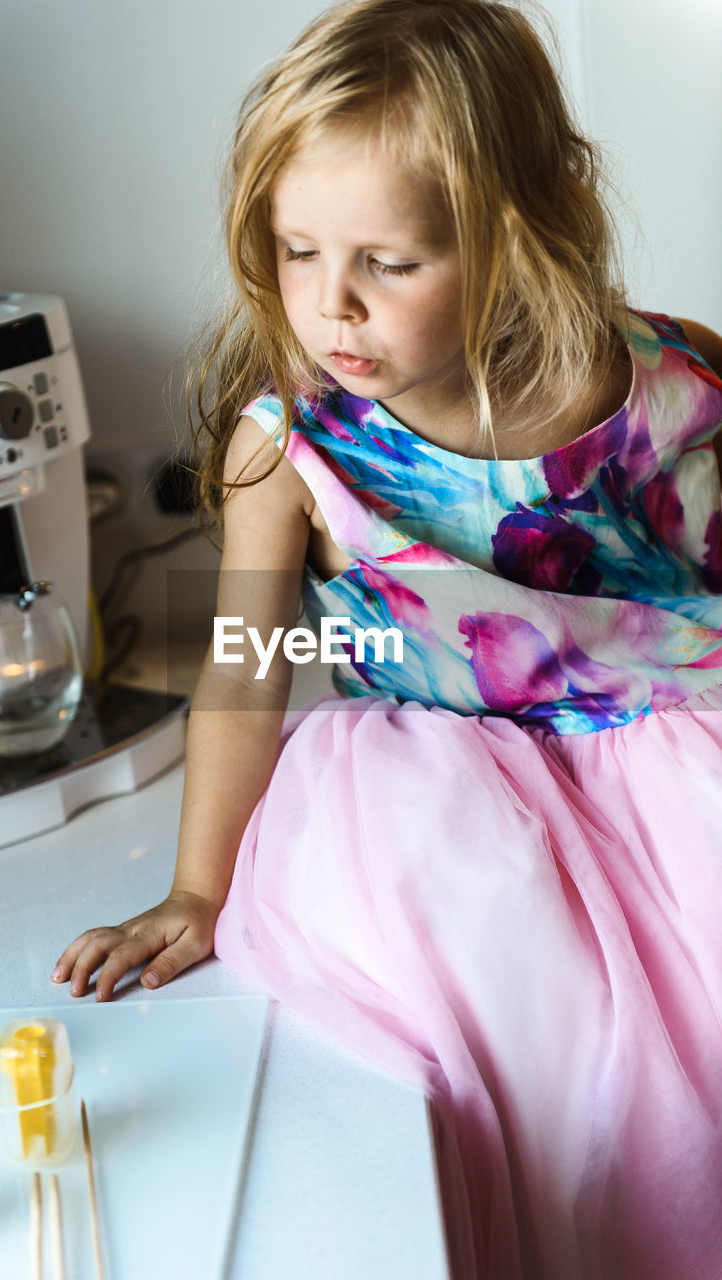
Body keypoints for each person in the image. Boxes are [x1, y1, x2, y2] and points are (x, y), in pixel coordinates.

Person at [52, 1, 722, 1275]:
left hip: (671, 749)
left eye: (388, 262)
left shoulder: (658, 383)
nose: (329, 306)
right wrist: (199, 887)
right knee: (518, 1011)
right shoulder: (294, 447)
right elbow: (246, 669)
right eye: (295, 251)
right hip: (447, 784)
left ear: (511, 232)